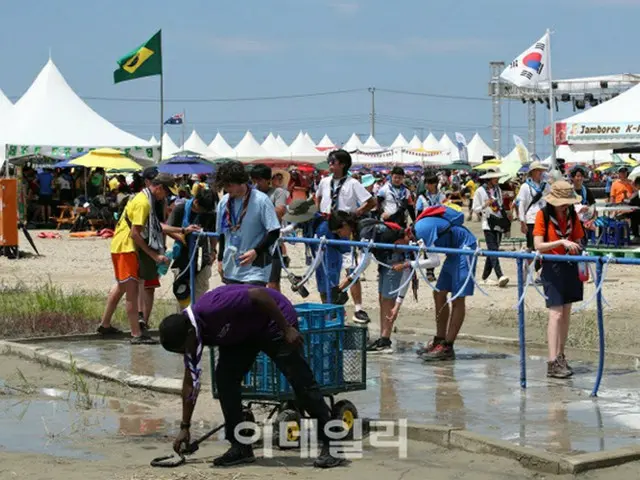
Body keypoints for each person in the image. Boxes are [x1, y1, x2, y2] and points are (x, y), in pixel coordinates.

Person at [159, 285, 344, 469]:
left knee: (301, 382)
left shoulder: (212, 308)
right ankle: (241, 446)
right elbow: (189, 383)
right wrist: (185, 427)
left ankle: (333, 444)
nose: (184, 353)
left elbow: (258, 295)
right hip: (243, 334)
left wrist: (287, 329)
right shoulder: (191, 334)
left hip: (274, 321)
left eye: (183, 349)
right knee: (225, 381)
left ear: (190, 333)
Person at [99, 170, 200, 344]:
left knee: (122, 287)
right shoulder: (144, 203)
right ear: (159, 188)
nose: (166, 197)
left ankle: (105, 324)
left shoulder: (144, 198)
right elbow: (135, 234)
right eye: (167, 193)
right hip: (126, 248)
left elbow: (155, 226)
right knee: (131, 291)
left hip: (123, 246)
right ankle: (136, 335)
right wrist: (154, 256)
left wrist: (182, 230)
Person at [314, 150, 376, 320]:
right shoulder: (324, 182)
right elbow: (317, 197)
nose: (330, 165)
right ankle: (328, 307)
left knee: (351, 266)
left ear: (342, 164)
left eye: (333, 162)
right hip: (326, 226)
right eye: (329, 162)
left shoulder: (352, 183)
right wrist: (318, 213)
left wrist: (354, 215)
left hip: (344, 227)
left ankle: (358, 308)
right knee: (324, 267)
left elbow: (371, 202)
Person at [533, 181, 585, 379]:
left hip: (570, 265)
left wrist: (577, 246)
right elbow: (538, 245)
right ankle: (552, 360)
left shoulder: (572, 214)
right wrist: (561, 241)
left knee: (566, 313)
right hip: (552, 265)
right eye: (562, 202)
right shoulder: (543, 215)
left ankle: (561, 355)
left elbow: (579, 238)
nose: (565, 206)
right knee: (555, 313)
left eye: (568, 202)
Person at [412, 205, 478, 361]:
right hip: (453, 251)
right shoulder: (419, 230)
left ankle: (448, 346)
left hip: (465, 248)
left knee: (457, 297)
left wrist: (410, 264)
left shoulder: (422, 231)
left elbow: (434, 261)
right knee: (439, 293)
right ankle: (439, 339)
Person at [215, 161, 281, 286]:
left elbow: (274, 232)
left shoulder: (261, 200)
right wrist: (220, 259)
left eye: (229, 185)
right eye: (224, 185)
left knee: (251, 301)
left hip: (255, 269)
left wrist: (256, 251)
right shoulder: (224, 203)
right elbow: (222, 234)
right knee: (234, 303)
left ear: (241, 181)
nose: (226, 189)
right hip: (231, 267)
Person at [167, 188, 217, 308]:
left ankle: (197, 317)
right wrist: (182, 235)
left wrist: (213, 250)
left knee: (201, 291)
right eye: (202, 209)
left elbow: (213, 233)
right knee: (182, 291)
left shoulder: (210, 213)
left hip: (202, 258)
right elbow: (167, 229)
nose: (203, 212)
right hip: (183, 257)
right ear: (196, 202)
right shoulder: (181, 209)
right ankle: (185, 319)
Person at [250, 164, 289, 291]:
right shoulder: (250, 195)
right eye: (254, 180)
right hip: (254, 241)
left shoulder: (278, 192)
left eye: (259, 180)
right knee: (254, 281)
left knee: (273, 283)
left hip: (272, 241)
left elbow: (279, 212)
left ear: (268, 180)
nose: (256, 184)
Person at [472, 170, 509, 288]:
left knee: (493, 250)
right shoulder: (480, 191)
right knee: (493, 249)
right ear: (488, 179)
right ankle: (500, 275)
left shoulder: (498, 190)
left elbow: (501, 205)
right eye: (494, 178)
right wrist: (486, 204)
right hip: (487, 223)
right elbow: (475, 209)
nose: (497, 180)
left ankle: (484, 277)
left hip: (498, 221)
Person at [517, 161, 550, 281]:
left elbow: (550, 199)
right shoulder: (525, 186)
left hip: (544, 218)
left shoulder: (545, 185)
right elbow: (521, 204)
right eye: (538, 170)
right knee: (532, 247)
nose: (540, 173)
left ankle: (539, 273)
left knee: (542, 247)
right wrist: (522, 221)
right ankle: (526, 268)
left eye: (541, 170)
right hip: (531, 219)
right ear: (532, 172)